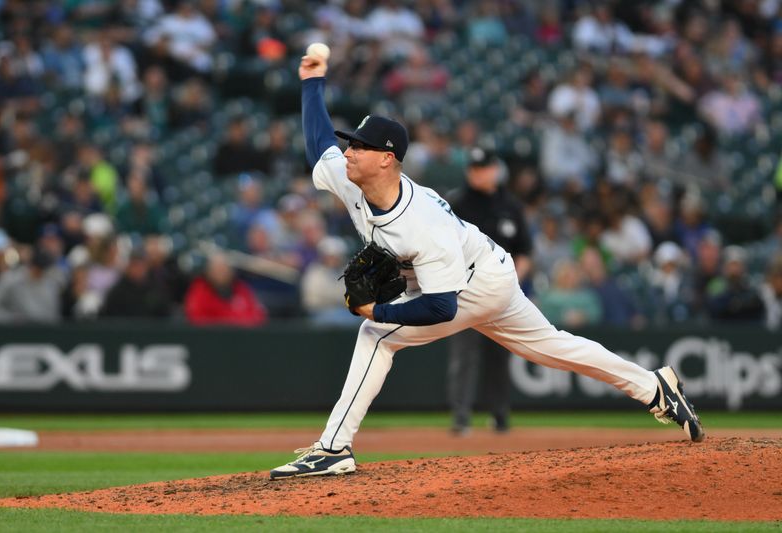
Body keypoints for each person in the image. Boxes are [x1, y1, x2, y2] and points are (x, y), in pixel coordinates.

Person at [269, 52, 705, 481]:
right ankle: (654, 386)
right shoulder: (352, 177)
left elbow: (442, 307)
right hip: (489, 268)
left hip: (473, 286)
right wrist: (313, 82)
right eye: (352, 143)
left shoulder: (422, 225)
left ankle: (333, 447)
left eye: (360, 147)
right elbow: (319, 145)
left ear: (387, 158)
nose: (349, 151)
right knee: (553, 346)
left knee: (376, 335)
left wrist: (378, 312)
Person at [445, 147, 533, 435]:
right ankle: (461, 416)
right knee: (463, 356)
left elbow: (524, 251)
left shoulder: (510, 206)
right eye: (474, 168)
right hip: (465, 292)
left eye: (484, 167)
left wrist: (509, 282)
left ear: (495, 169)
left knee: (501, 354)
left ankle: (500, 415)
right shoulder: (456, 203)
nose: (479, 173)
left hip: (502, 293)